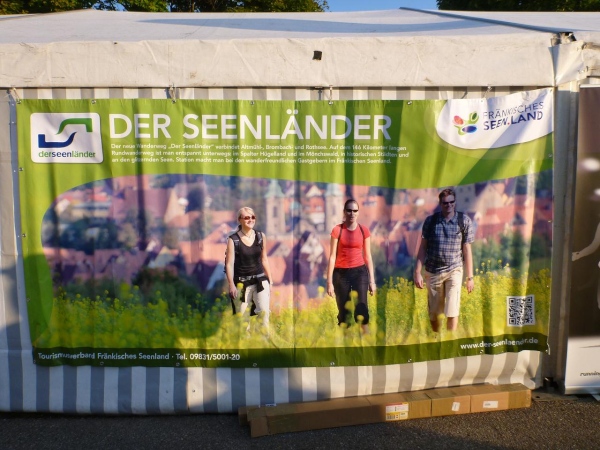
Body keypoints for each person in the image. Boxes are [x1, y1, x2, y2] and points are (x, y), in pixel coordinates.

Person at [414, 188, 474, 332]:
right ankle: (436, 337)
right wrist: (417, 272)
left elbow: (467, 250)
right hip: (433, 271)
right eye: (445, 203)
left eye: (452, 202)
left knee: (452, 309)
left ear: (455, 202)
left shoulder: (464, 221)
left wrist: (470, 277)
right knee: (435, 314)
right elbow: (423, 247)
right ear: (440, 204)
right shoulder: (431, 221)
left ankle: (450, 338)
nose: (449, 205)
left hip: (455, 269)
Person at [326, 199, 376, 333]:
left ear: (358, 212)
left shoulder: (364, 230)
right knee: (344, 313)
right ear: (344, 212)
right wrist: (329, 282)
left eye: (355, 210)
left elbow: (368, 256)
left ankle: (367, 341)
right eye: (349, 210)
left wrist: (372, 281)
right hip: (340, 274)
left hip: (359, 272)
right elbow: (332, 256)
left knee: (362, 309)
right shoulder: (337, 230)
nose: (352, 213)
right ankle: (347, 343)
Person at [225, 207, 273, 332]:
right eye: (247, 217)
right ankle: (246, 342)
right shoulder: (233, 240)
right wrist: (231, 285)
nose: (250, 220)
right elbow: (229, 264)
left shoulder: (260, 236)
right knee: (242, 321)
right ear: (239, 220)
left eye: (253, 217)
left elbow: (264, 259)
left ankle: (263, 340)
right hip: (241, 283)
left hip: (260, 281)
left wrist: (270, 281)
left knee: (264, 314)